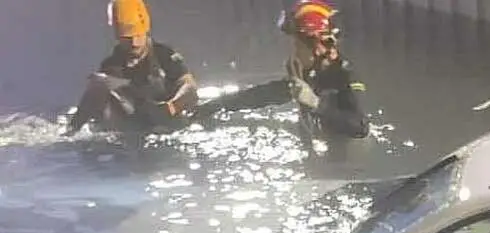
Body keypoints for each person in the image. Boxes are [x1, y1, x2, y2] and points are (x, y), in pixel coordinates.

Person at [195, 0, 368, 149]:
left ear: (317, 45)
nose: (293, 50)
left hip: (349, 154)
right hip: (319, 144)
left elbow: (360, 128)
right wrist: (215, 106)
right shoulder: (305, 70)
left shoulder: (346, 74)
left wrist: (315, 103)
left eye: (296, 44)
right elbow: (266, 95)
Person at [64, 0, 198, 137]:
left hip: (170, 124)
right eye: (128, 38)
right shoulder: (111, 66)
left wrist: (171, 107)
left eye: (138, 35)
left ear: (146, 30)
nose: (134, 43)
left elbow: (190, 88)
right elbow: (96, 99)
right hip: (135, 128)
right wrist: (74, 129)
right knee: (99, 86)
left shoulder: (164, 55)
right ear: (118, 37)